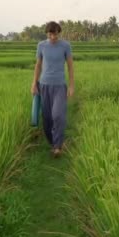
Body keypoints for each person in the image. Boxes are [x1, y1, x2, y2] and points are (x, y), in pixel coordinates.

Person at [31, 21, 75, 158]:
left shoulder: (65, 46)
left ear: (59, 32)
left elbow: (70, 67)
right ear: (47, 33)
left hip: (60, 85)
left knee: (58, 115)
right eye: (50, 34)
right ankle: (52, 142)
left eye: (55, 34)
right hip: (44, 85)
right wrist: (34, 83)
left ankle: (57, 146)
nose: (53, 37)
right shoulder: (41, 46)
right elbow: (38, 66)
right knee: (47, 118)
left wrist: (72, 85)